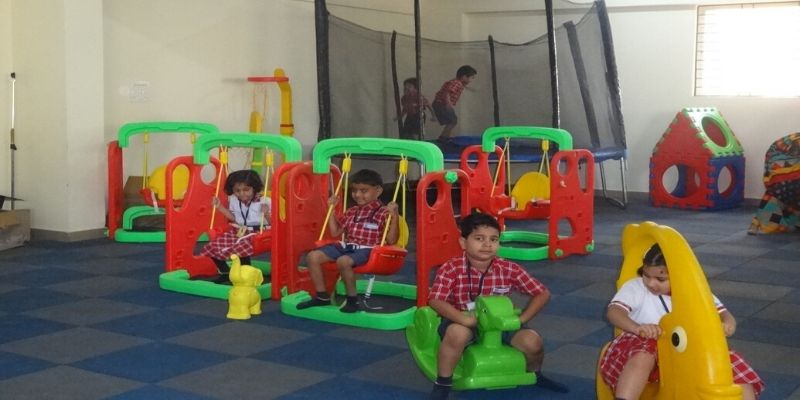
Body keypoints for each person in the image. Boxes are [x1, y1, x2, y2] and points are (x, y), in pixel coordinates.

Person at [427, 213, 568, 400]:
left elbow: (542, 293)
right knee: (456, 334)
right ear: (463, 242)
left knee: (533, 342)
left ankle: (535, 373)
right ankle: (443, 382)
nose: (487, 244)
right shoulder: (451, 268)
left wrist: (522, 319)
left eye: (493, 239)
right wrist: (463, 319)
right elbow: (436, 300)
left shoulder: (508, 268)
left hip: (500, 322)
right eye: (479, 239)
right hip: (463, 318)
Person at [600, 244, 765, 400]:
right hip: (642, 342)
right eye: (646, 275)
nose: (651, 283)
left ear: (679, 275)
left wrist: (727, 324)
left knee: (727, 360)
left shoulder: (694, 290)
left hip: (685, 349)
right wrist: (637, 327)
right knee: (644, 352)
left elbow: (723, 314)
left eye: (660, 279)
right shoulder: (636, 287)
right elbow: (614, 312)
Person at [296, 169, 400, 313]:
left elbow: (392, 240)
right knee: (312, 256)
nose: (357, 195)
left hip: (369, 249)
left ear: (378, 191)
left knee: (343, 261)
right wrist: (331, 210)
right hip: (347, 246)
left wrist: (395, 217)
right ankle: (322, 296)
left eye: (364, 191)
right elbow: (335, 232)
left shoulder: (384, 213)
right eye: (354, 190)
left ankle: (352, 300)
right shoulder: (352, 212)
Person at [200, 169, 271, 283]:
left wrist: (266, 213)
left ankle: (246, 274)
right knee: (212, 246)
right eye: (237, 190)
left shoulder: (265, 201)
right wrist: (220, 207)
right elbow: (234, 218)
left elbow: (275, 223)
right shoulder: (234, 200)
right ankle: (225, 272)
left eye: (246, 189)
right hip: (240, 231)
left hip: (259, 233)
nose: (241, 193)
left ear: (254, 188)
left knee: (240, 247)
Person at [432, 65, 477, 143]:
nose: (471, 80)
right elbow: (447, 92)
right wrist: (448, 103)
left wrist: (470, 89)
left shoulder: (457, 82)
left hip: (439, 103)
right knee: (452, 121)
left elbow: (459, 87)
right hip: (442, 104)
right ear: (464, 77)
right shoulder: (456, 83)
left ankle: (445, 137)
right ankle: (443, 138)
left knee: (452, 121)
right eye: (472, 78)